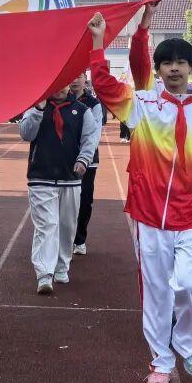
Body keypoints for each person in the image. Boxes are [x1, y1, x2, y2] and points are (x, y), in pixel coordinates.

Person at [88, 13, 192, 383]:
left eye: (181, 62)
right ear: (158, 70)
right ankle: (161, 362)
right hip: (150, 215)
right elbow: (104, 85)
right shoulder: (143, 104)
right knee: (156, 292)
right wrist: (98, 42)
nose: (174, 68)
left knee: (187, 284)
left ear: (191, 68)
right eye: (167, 63)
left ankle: (186, 343)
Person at [20, 83, 99, 294]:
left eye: (64, 83)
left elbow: (90, 138)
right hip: (40, 177)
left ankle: (62, 266)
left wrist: (83, 160)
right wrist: (38, 109)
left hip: (70, 178)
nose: (60, 88)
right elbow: (26, 134)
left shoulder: (82, 111)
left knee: (66, 226)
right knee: (47, 225)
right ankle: (44, 274)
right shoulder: (35, 106)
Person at [70, 73, 104, 256]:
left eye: (79, 76)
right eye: (72, 76)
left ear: (85, 79)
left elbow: (95, 132)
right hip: (65, 159)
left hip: (88, 161)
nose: (74, 80)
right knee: (66, 201)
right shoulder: (61, 99)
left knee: (84, 200)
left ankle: (80, 239)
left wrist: (85, 155)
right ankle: (65, 237)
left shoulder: (93, 103)